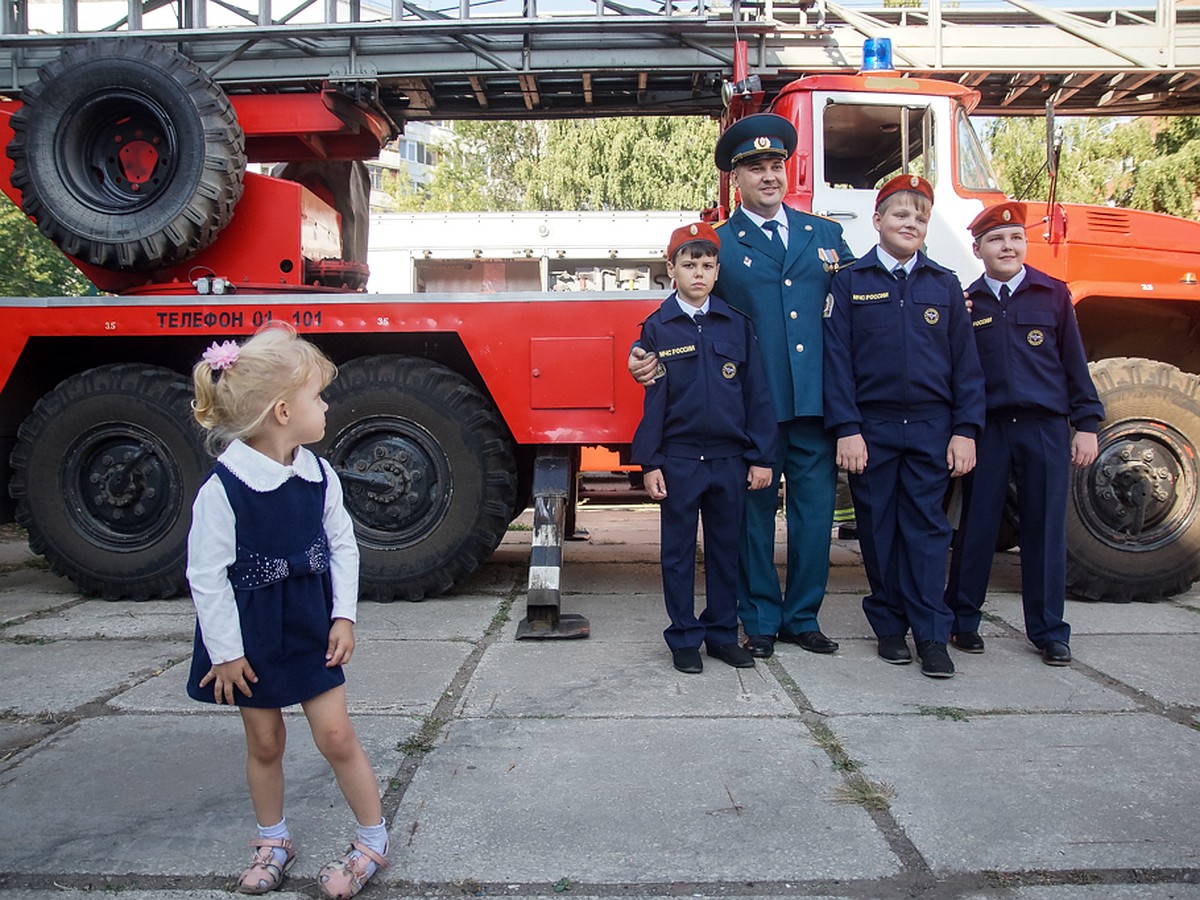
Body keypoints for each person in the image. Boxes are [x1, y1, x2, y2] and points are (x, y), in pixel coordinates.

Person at [630, 113, 854, 661]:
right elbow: (688, 307)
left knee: (814, 516)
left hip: (815, 401)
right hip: (750, 409)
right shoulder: (719, 243)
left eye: (776, 164)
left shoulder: (824, 235)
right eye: (756, 168)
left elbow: (852, 309)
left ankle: (803, 616)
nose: (769, 176)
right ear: (737, 179)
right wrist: (644, 354)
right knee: (749, 521)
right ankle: (759, 618)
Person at [185, 325, 387, 898]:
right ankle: (273, 839)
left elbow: (343, 545)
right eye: (318, 397)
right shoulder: (223, 489)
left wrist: (343, 616)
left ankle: (373, 838)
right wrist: (225, 654)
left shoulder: (318, 474)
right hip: (247, 637)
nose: (325, 406)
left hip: (308, 623)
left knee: (336, 734)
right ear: (282, 411)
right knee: (266, 741)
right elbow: (206, 576)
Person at [822, 174, 985, 679]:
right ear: (877, 221)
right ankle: (890, 627)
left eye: (919, 217)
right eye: (899, 214)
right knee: (877, 530)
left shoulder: (945, 285)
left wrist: (966, 430)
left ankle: (932, 634)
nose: (910, 223)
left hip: (933, 429)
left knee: (929, 531)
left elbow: (967, 366)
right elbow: (837, 361)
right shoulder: (850, 282)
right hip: (873, 430)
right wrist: (847, 428)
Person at [944, 201, 1104, 666]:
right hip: (989, 428)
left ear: (1025, 245)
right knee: (976, 527)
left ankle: (1050, 630)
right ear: (978, 249)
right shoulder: (967, 303)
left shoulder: (1052, 295)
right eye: (995, 240)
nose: (1006, 247)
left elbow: (1075, 364)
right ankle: (964, 621)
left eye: (1015, 238)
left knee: (1045, 528)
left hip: (1045, 427)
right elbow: (959, 374)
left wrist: (1087, 424)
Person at [631, 222, 777, 673]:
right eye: (689, 264)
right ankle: (683, 638)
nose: (699, 273)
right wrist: (650, 461)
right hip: (678, 460)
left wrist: (762, 455)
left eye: (708, 265)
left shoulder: (736, 324)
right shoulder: (657, 328)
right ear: (670, 268)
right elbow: (654, 402)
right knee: (676, 552)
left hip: (728, 460)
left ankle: (720, 633)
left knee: (725, 550)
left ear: (718, 271)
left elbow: (757, 394)